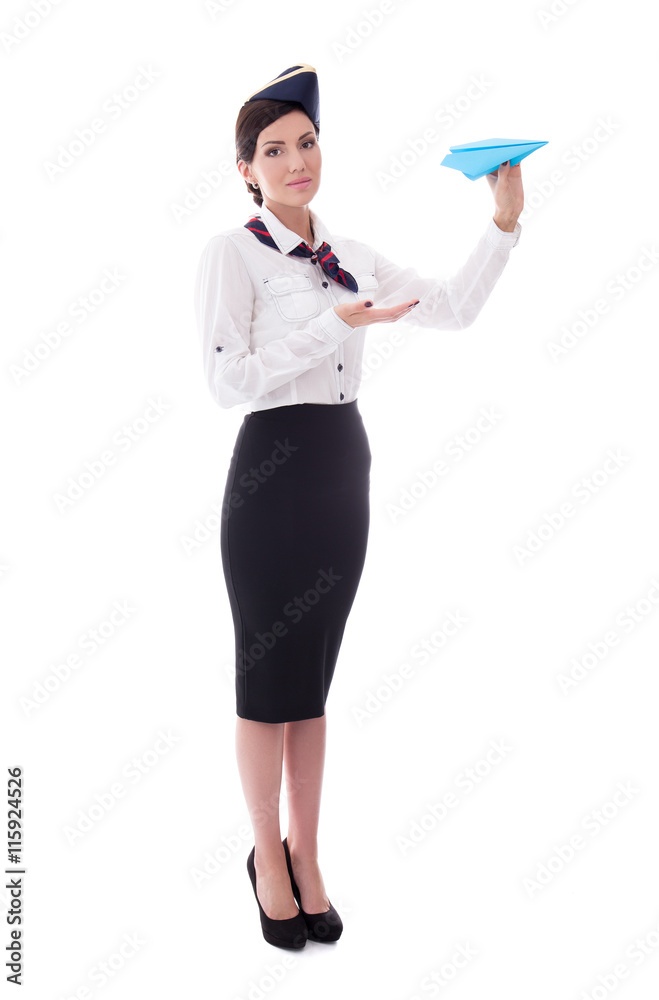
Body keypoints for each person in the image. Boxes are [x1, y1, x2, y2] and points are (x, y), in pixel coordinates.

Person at [193, 63, 524, 950]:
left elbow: (449, 310)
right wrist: (332, 327)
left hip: (343, 470)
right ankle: (266, 856)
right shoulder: (232, 254)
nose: (296, 161)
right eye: (273, 149)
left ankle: (308, 856)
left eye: (306, 142)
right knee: (267, 687)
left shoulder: (353, 257)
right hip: (271, 472)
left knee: (312, 686)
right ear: (246, 170)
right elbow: (227, 382)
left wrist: (501, 222)